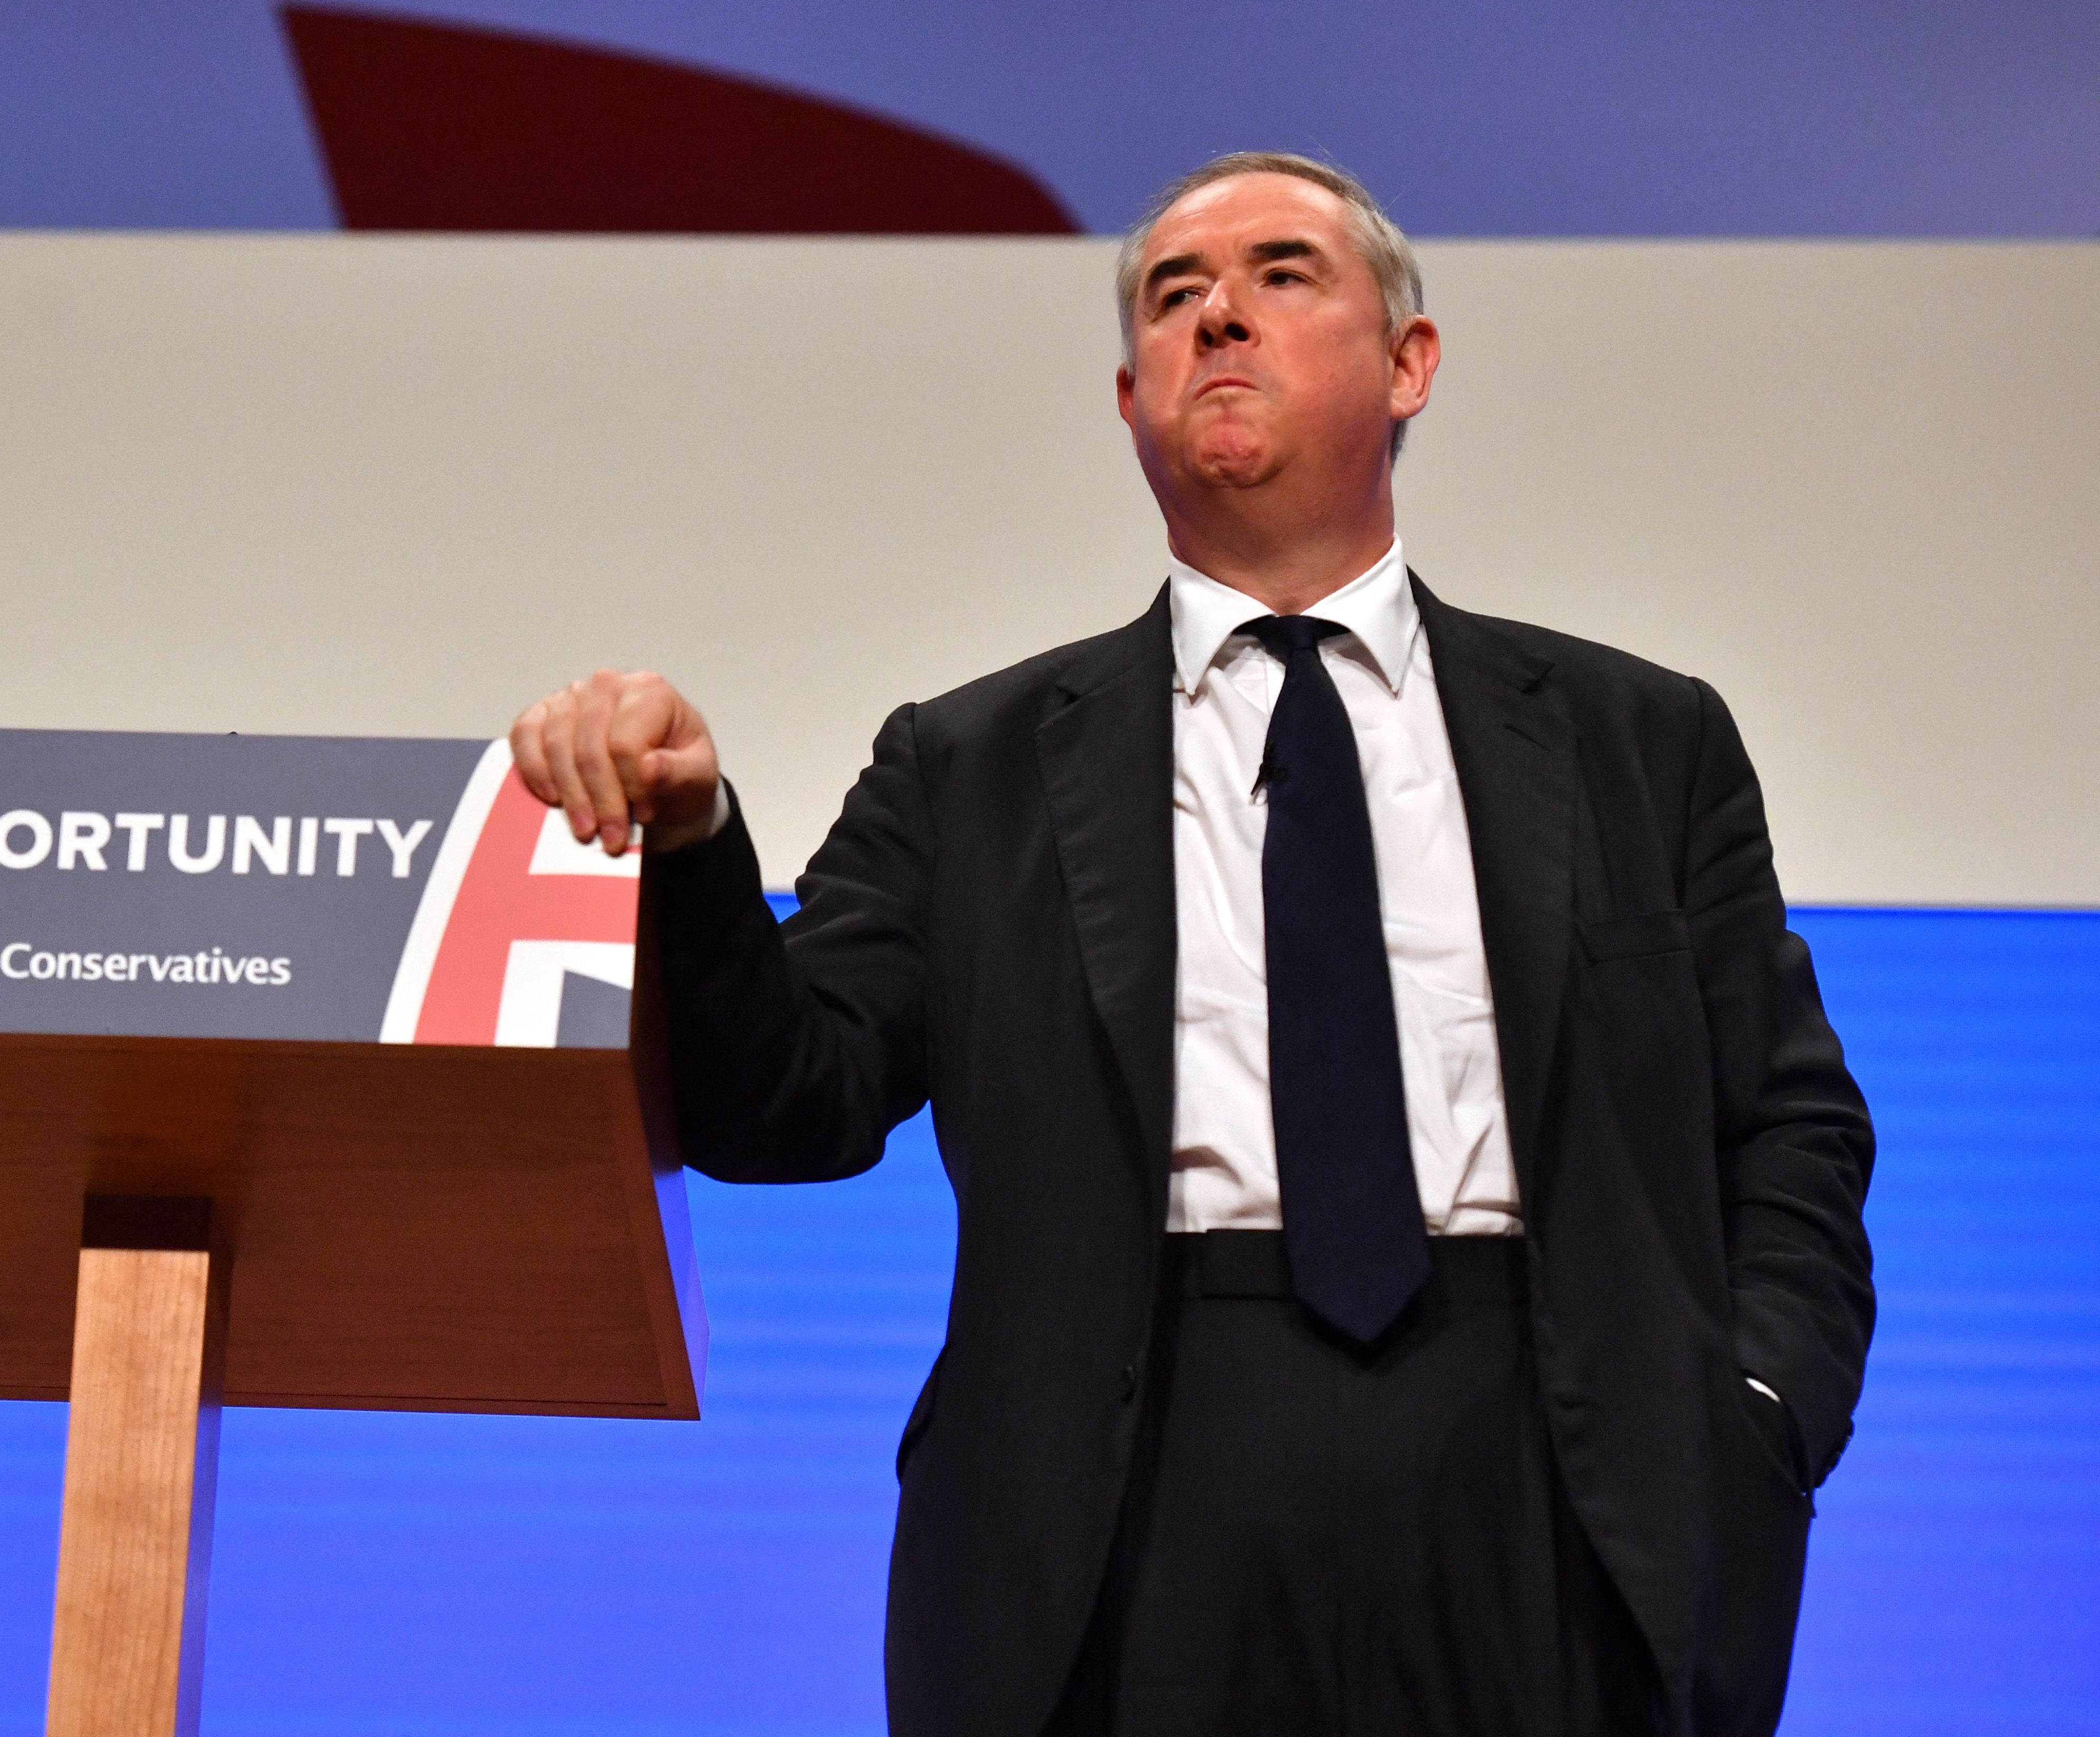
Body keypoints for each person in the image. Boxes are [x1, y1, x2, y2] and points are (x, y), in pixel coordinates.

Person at [508, 152, 1874, 1737]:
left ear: (1411, 363)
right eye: (1175, 295)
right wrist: (692, 842)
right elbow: (787, 1106)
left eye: (1286, 274)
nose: (1221, 311)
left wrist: (1757, 1414)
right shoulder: (972, 765)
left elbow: (1786, 1125)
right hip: (1129, 1501)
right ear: (1129, 395)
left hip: (1560, 1481)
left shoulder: (1642, 741)